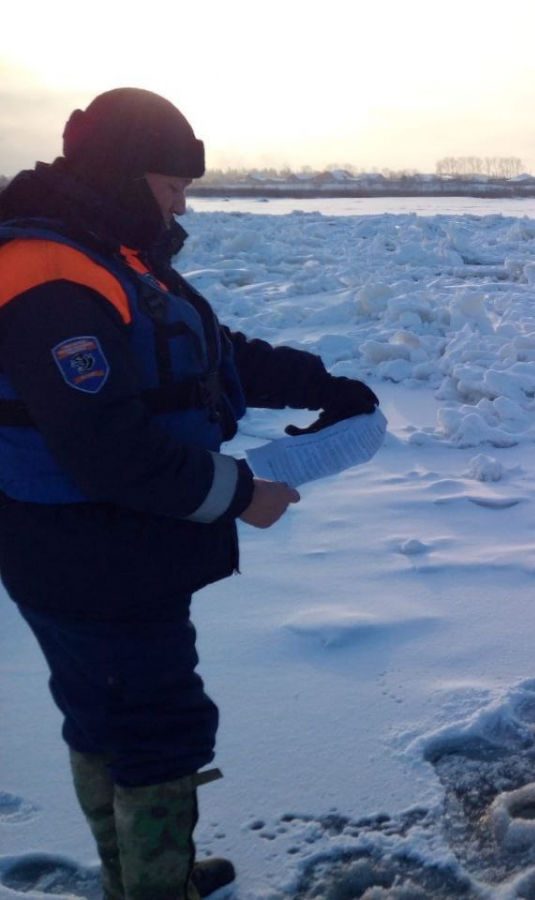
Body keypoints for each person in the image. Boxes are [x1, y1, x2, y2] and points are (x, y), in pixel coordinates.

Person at [0, 88, 378, 899]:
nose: (179, 203)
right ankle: (154, 886)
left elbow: (205, 357)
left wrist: (320, 382)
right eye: (170, 184)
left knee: (112, 719)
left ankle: (141, 875)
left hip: (108, 549)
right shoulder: (48, 272)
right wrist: (242, 493)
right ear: (119, 171)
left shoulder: (107, 253)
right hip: (89, 555)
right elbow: (104, 448)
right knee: (157, 729)